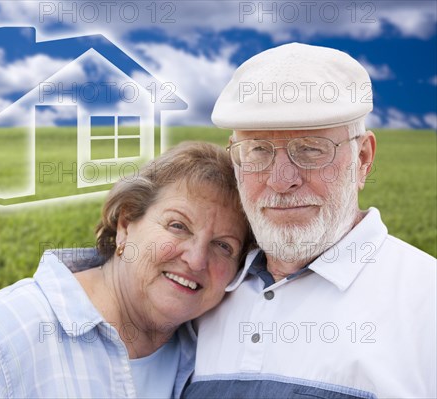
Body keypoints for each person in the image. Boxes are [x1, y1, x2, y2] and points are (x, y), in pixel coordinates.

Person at [0, 141, 251, 398]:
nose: (196, 259)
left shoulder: (208, 354)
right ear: (126, 224)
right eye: (178, 226)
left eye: (224, 246)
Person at [184, 43, 436, 398]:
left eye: (311, 149)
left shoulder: (427, 300)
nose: (281, 180)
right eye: (257, 150)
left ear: (362, 158)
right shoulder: (201, 292)